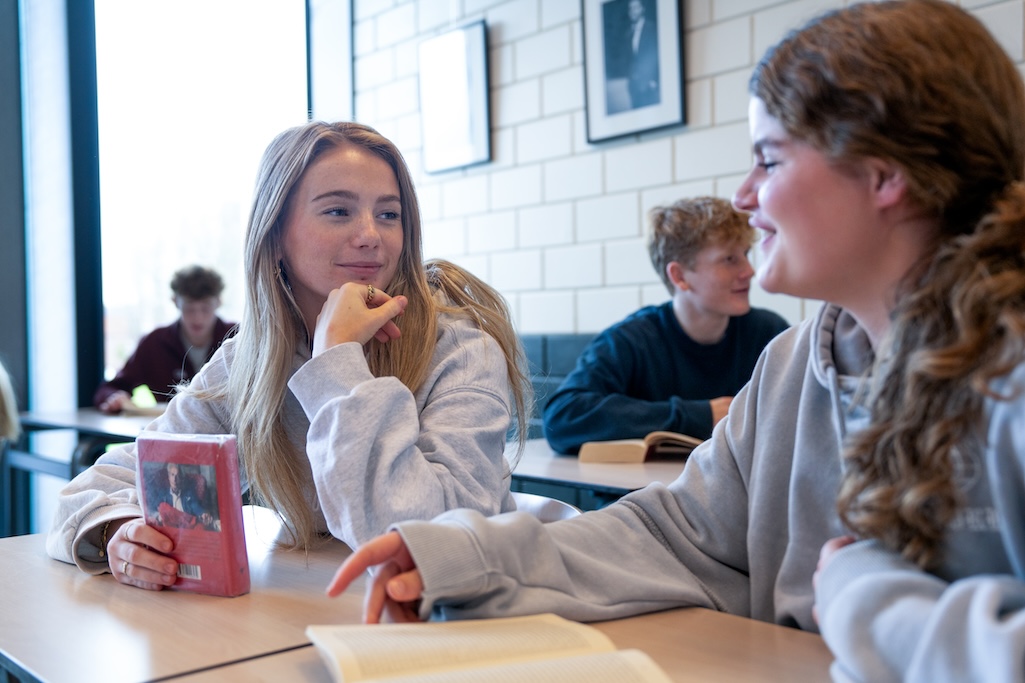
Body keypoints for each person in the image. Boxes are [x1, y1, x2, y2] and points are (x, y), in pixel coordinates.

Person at [328, 2, 1025, 681]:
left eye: (768, 160)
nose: (745, 195)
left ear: (884, 174)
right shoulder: (790, 364)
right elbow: (680, 531)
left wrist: (860, 594)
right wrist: (469, 556)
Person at [47, 121, 533, 591]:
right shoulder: (251, 363)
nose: (371, 235)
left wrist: (336, 360)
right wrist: (119, 532)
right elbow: (101, 485)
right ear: (276, 234)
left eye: (389, 214)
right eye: (338, 211)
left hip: (450, 627)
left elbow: (435, 541)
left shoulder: (461, 351)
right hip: (317, 616)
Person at [543, 197, 789, 453]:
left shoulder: (769, 332)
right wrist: (700, 416)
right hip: (640, 491)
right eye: (729, 259)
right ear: (680, 276)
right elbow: (562, 417)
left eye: (746, 255)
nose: (749, 271)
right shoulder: (631, 340)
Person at [93, 265, 237, 413]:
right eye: (189, 308)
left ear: (218, 302)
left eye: (205, 308)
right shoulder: (154, 343)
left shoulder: (238, 337)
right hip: (170, 432)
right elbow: (112, 387)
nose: (197, 318)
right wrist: (114, 397)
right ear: (175, 302)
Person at [625, 0, 659, 109]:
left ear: (642, 9)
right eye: (630, 9)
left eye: (636, 8)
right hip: (635, 85)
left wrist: (653, 79)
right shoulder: (629, 33)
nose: (633, 11)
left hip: (649, 84)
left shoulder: (651, 28)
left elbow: (655, 55)